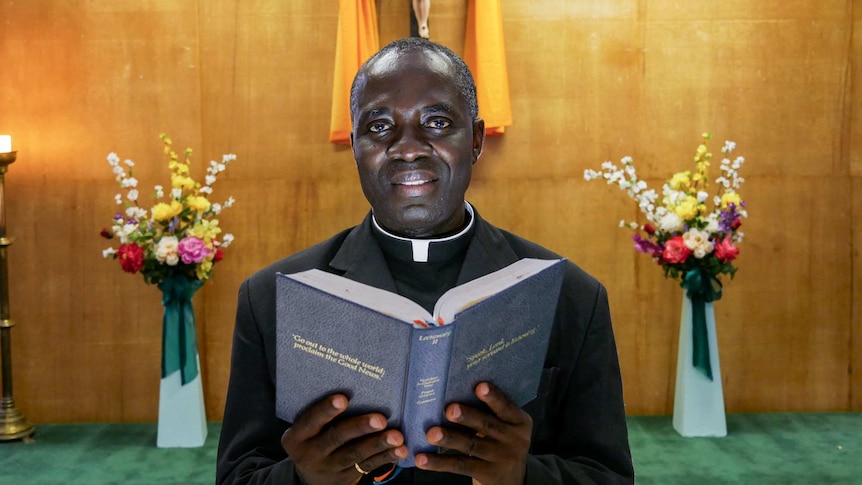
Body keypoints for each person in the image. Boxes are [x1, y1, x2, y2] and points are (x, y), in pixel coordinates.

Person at [216, 37, 634, 484]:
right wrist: (303, 480)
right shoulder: (270, 298)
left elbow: (607, 475)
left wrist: (523, 476)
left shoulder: (572, 295)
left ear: (475, 140)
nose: (407, 148)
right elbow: (239, 475)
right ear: (354, 144)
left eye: (436, 122)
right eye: (379, 127)